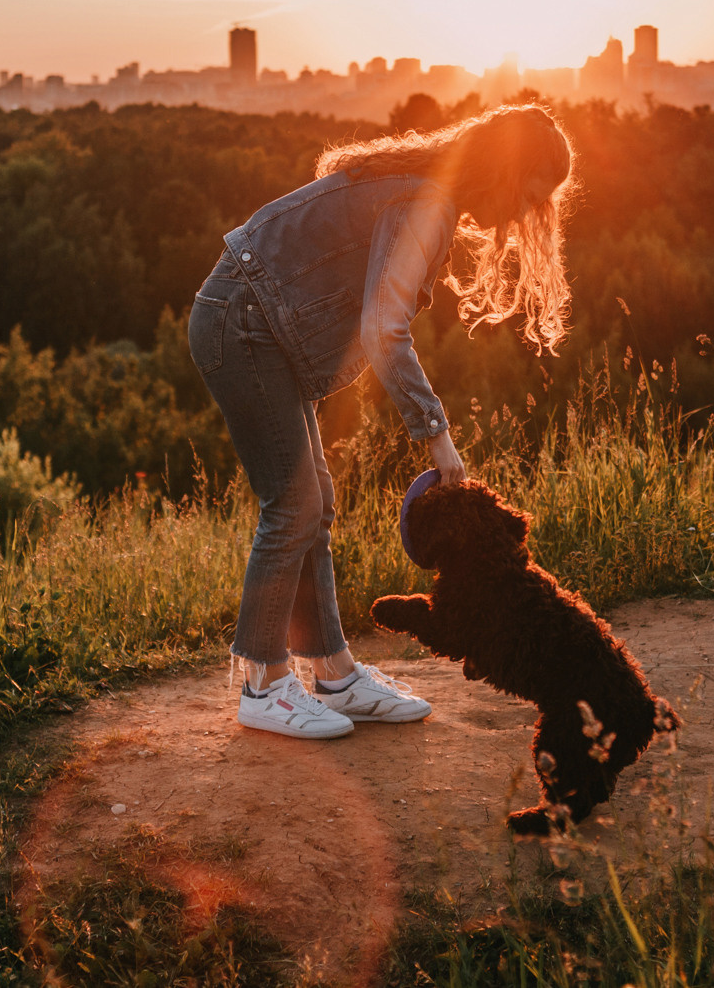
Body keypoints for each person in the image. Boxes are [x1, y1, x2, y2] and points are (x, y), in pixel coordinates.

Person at [189, 104, 577, 738]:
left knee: (315, 502)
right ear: (506, 172)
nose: (520, 217)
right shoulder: (426, 201)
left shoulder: (429, 191)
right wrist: (436, 435)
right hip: (242, 326)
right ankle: (263, 683)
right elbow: (382, 329)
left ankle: (336, 675)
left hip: (263, 330)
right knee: (292, 506)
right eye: (525, 196)